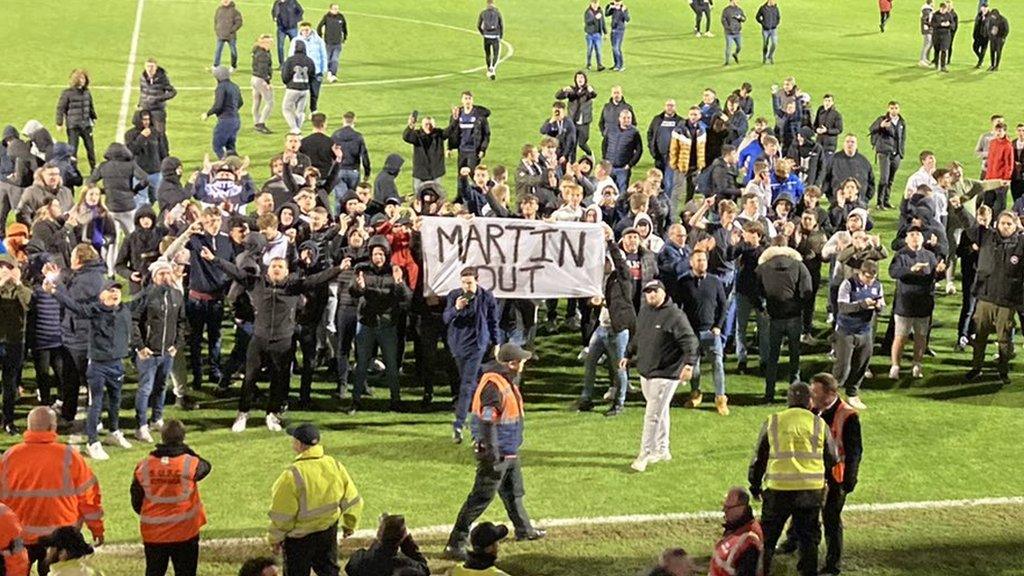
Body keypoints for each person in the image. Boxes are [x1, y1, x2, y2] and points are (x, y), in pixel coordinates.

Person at [443, 344, 546, 560]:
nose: (524, 364)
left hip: (508, 450)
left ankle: (524, 529)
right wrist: (492, 452)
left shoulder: (504, 380)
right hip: (497, 454)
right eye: (522, 361)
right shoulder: (493, 385)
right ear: (511, 363)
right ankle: (455, 543)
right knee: (479, 499)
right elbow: (488, 421)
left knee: (514, 493)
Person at [0, 407, 104, 575]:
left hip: (20, 538)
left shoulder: (9, 457)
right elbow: (89, 497)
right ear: (52, 427)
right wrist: (96, 528)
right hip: (58, 539)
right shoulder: (70, 456)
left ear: (29, 427)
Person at [748, 382, 837, 576]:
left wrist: (754, 485)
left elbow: (759, 457)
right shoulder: (818, 423)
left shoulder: (773, 421)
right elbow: (832, 457)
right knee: (808, 540)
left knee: (768, 540)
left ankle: (761, 572)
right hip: (810, 491)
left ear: (788, 400)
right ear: (809, 401)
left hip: (778, 489)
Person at [48, 275, 135, 460]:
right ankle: (92, 442)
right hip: (98, 365)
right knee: (96, 402)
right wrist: (55, 291)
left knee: (115, 401)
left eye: (117, 290)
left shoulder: (125, 310)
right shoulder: (95, 310)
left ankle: (114, 432)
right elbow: (75, 307)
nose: (115, 293)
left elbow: (145, 298)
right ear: (102, 296)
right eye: (111, 290)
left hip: (117, 363)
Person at [621, 280, 698, 472]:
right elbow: (639, 336)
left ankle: (644, 455)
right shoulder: (645, 311)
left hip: (666, 373)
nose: (651, 295)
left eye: (654, 292)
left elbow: (690, 341)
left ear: (663, 293)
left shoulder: (675, 316)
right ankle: (662, 449)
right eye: (648, 292)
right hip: (647, 370)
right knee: (660, 411)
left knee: (652, 414)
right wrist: (627, 354)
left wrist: (689, 364)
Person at [269, 423, 363, 576]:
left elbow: (282, 515)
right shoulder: (335, 465)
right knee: (329, 572)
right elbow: (353, 499)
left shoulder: (291, 476)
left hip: (299, 539)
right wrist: (349, 525)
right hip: (327, 532)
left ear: (298, 444)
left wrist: (275, 539)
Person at [130, 419, 210, 576]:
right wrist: (185, 450)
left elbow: (136, 500)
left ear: (162, 437)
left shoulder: (144, 465)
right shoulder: (190, 462)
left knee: (154, 572)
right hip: (185, 532)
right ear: (183, 437)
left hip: (154, 533)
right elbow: (206, 466)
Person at [808, 373, 863, 576]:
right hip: (812, 474)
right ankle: (795, 545)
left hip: (835, 477)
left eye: (816, 391)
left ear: (831, 393)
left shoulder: (848, 415)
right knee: (805, 514)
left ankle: (833, 565)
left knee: (831, 519)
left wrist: (850, 479)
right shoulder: (812, 411)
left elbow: (854, 451)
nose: (811, 395)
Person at [349, 237, 411, 412]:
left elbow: (406, 297)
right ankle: (356, 400)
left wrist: (399, 283)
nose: (378, 257)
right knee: (361, 364)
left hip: (387, 323)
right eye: (375, 254)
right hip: (366, 322)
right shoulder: (361, 270)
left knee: (391, 364)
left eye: (381, 254)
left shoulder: (395, 271)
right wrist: (360, 288)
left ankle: (395, 400)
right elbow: (353, 291)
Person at [130, 260, 186, 442]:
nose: (166, 277)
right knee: (145, 389)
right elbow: (133, 321)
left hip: (167, 353)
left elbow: (182, 322)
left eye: (168, 273)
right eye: (161, 274)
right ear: (154, 277)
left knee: (161, 387)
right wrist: (140, 346)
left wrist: (176, 344)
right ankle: (141, 426)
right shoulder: (145, 296)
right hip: (149, 353)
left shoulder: (177, 295)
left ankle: (156, 418)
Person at [967, 210, 1024, 384]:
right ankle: (976, 368)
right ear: (996, 224)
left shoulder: (1021, 244)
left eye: (1009, 224)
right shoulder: (986, 237)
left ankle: (1003, 371)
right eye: (1002, 223)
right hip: (985, 298)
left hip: (1007, 301)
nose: (1005, 227)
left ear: (1016, 226)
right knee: (980, 335)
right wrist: (958, 208)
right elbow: (969, 224)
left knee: (1004, 338)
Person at [444, 267, 499, 444]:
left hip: (477, 346)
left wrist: (496, 343)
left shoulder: (486, 297)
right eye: (463, 282)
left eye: (469, 283)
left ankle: (460, 425)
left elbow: (493, 320)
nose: (466, 286)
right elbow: (446, 318)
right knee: (472, 386)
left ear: (476, 280)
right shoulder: (454, 296)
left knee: (467, 385)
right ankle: (481, 420)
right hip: (459, 346)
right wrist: (456, 308)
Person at [757, 237, 812, 402]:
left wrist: (763, 306)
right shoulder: (799, 266)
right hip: (794, 316)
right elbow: (807, 291)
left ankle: (769, 393)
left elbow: (754, 289)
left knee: (773, 356)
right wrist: (799, 306)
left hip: (774, 317)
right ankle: (795, 394)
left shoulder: (762, 268)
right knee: (794, 356)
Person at [888, 225, 943, 380]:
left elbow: (934, 278)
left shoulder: (930, 256)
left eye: (918, 234)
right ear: (906, 238)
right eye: (911, 234)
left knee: (921, 336)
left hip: (924, 302)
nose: (915, 237)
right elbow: (893, 272)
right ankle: (895, 365)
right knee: (900, 336)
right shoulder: (901, 255)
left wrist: (940, 272)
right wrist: (911, 269)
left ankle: (917, 364)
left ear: (923, 238)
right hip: (905, 303)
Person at [678, 250, 729, 415]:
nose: (702, 263)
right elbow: (679, 307)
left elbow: (723, 306)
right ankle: (695, 394)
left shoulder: (715, 281)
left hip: (710, 331)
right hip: (692, 331)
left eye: (704, 260)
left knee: (718, 364)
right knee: (695, 365)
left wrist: (718, 326)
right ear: (691, 263)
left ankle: (720, 397)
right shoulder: (684, 282)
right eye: (699, 260)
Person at [833, 260, 885, 409]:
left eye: (873, 278)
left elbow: (882, 307)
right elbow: (842, 307)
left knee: (862, 364)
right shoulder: (848, 284)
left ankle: (852, 394)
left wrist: (879, 307)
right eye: (867, 277)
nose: (870, 281)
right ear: (860, 273)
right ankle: (832, 395)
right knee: (842, 366)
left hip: (865, 330)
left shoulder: (877, 285)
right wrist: (862, 304)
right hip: (846, 331)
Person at [0, 256, 31, 434]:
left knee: (10, 384)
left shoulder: (21, 288)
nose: (5, 270)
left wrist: (18, 283)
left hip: (14, 342)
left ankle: (9, 420)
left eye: (8, 266)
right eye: (1, 266)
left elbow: (28, 304)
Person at [345, 514, 429, 576]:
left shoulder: (360, 560)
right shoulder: (406, 565)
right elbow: (425, 569)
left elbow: (350, 567)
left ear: (379, 535)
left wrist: (377, 542)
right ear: (402, 539)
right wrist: (407, 541)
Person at [709, 487, 763, 576]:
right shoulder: (736, 528)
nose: (724, 511)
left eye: (728, 508)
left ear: (741, 508)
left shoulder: (748, 542)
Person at [55, 69, 97, 172]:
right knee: (73, 150)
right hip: (73, 126)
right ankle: (73, 170)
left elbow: (90, 106)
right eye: (80, 78)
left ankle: (93, 168)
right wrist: (59, 123)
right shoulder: (67, 93)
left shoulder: (87, 92)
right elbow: (60, 108)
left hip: (86, 125)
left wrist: (93, 116)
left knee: (90, 149)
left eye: (84, 78)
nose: (83, 80)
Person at [869, 102, 907, 209]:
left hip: (896, 154)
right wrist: (880, 126)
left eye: (896, 108)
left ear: (899, 109)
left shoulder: (901, 122)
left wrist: (901, 153)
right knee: (884, 178)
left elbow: (903, 138)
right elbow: (871, 129)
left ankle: (886, 201)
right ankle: (879, 202)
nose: (894, 110)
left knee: (891, 179)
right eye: (892, 108)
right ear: (888, 109)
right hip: (884, 152)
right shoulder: (882, 119)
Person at [201, 66, 243, 159]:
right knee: (230, 146)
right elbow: (240, 102)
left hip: (225, 120)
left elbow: (218, 105)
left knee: (217, 145)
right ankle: (236, 165)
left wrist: (208, 114)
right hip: (236, 119)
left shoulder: (221, 88)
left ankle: (226, 164)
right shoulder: (235, 86)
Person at [556, 72, 599, 159]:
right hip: (573, 122)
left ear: (585, 79)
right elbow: (558, 96)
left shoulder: (588, 90)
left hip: (584, 122)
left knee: (582, 143)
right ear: (575, 79)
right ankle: (572, 164)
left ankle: (589, 153)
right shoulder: (571, 90)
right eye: (578, 78)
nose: (580, 79)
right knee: (572, 144)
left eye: (582, 77)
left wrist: (592, 91)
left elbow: (594, 95)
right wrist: (563, 90)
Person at [289, 22, 328, 113]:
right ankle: (300, 110)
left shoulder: (318, 40)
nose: (305, 32)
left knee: (315, 92)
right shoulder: (295, 41)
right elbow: (291, 56)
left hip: (316, 70)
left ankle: (313, 110)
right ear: (300, 30)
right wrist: (292, 69)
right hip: (301, 71)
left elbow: (323, 55)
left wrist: (324, 69)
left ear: (310, 29)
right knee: (300, 92)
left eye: (307, 30)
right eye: (303, 30)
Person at [403, 115, 449, 192]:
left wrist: (455, 119)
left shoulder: (439, 134)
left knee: (436, 196)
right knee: (418, 197)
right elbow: (406, 137)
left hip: (435, 173)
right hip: (420, 173)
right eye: (426, 124)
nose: (428, 126)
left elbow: (449, 131)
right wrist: (410, 126)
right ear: (422, 125)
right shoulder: (417, 135)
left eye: (430, 124)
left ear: (434, 125)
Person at [450, 91, 492, 170]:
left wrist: (482, 149)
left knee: (473, 174)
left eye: (469, 98)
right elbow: (453, 131)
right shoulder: (458, 115)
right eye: (465, 98)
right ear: (462, 100)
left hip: (474, 150)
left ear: (472, 100)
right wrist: (450, 147)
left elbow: (486, 134)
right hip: (462, 150)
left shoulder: (479, 116)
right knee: (461, 176)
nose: (467, 101)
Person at [281, 40, 315, 135]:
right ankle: (298, 129)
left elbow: (285, 75)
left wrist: (287, 83)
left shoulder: (290, 60)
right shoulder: (309, 60)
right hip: (305, 89)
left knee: (286, 108)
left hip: (292, 88)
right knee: (300, 111)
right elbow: (313, 75)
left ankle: (295, 128)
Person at [138, 58, 177, 133]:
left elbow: (173, 92)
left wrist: (158, 98)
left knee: (160, 134)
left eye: (152, 67)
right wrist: (140, 104)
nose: (149, 69)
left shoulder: (162, 78)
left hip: (157, 111)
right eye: (148, 66)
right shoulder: (143, 77)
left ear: (156, 68)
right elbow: (142, 91)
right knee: (144, 134)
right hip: (145, 109)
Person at [251, 34, 275, 135]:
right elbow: (263, 69)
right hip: (261, 79)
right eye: (269, 42)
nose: (271, 44)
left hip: (254, 78)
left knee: (257, 101)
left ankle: (256, 122)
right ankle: (261, 123)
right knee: (270, 102)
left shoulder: (256, 51)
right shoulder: (263, 54)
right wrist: (267, 82)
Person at [317, 4, 347, 82]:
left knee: (335, 59)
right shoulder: (326, 17)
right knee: (327, 59)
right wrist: (320, 37)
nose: (336, 10)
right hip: (328, 43)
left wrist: (345, 37)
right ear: (330, 9)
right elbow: (319, 26)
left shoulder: (341, 17)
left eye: (337, 9)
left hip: (338, 43)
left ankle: (333, 74)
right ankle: (327, 73)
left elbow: (344, 28)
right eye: (334, 9)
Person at [213, 0, 244, 69]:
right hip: (220, 34)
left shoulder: (234, 11)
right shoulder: (219, 10)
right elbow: (216, 21)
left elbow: (239, 22)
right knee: (218, 50)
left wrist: (232, 30)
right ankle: (216, 65)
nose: (225, 1)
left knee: (233, 51)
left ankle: (233, 66)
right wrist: (217, 30)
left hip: (231, 35)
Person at [272, 0, 304, 67]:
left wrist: (296, 20)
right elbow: (273, 11)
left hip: (292, 28)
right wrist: (275, 17)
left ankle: (295, 63)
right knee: (280, 47)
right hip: (281, 28)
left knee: (296, 46)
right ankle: (282, 64)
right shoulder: (277, 2)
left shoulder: (292, 2)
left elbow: (300, 11)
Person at [478, 0, 504, 79]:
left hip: (486, 36)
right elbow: (501, 25)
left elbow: (478, 25)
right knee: (496, 54)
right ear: (493, 3)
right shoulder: (497, 13)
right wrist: (501, 35)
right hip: (495, 36)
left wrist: (483, 33)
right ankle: (492, 68)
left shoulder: (483, 13)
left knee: (487, 53)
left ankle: (489, 68)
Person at [606, 0, 630, 71]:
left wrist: (623, 11)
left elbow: (627, 19)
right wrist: (609, 7)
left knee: (616, 48)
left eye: (618, 2)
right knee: (614, 48)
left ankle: (621, 65)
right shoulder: (613, 8)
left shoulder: (624, 8)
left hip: (620, 31)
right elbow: (606, 14)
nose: (616, 3)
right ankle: (616, 64)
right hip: (613, 30)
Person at [584, 0, 607, 72]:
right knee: (589, 50)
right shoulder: (588, 12)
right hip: (590, 34)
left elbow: (603, 22)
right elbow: (587, 22)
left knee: (598, 50)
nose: (595, 5)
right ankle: (588, 64)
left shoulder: (600, 11)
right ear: (591, 3)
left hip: (597, 34)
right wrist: (595, 18)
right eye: (594, 3)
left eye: (596, 3)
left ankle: (599, 65)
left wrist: (605, 32)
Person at [755, 0, 780, 64]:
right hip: (765, 30)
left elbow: (778, 17)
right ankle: (764, 56)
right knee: (765, 44)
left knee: (774, 43)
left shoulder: (775, 8)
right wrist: (762, 23)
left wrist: (775, 24)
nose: (775, 2)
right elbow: (757, 17)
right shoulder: (763, 8)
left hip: (773, 29)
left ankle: (770, 56)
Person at [722, 0, 746, 66]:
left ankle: (735, 54)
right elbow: (723, 20)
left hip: (737, 32)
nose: (738, 2)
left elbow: (744, 19)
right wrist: (728, 27)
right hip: (729, 33)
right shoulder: (726, 10)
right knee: (729, 47)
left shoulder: (739, 10)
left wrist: (740, 18)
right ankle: (727, 62)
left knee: (739, 46)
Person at [932, 2, 955, 71]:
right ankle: (936, 64)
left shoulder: (949, 15)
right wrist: (941, 24)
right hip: (937, 35)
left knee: (944, 50)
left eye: (945, 9)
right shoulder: (935, 15)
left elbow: (953, 25)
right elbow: (932, 24)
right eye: (942, 9)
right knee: (936, 50)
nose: (944, 10)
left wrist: (948, 25)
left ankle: (943, 66)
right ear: (940, 8)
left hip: (946, 35)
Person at [919, 0, 935, 66]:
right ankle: (922, 59)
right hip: (927, 30)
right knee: (927, 44)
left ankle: (926, 59)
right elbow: (926, 20)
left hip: (929, 29)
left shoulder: (929, 10)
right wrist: (930, 25)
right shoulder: (927, 10)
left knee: (929, 44)